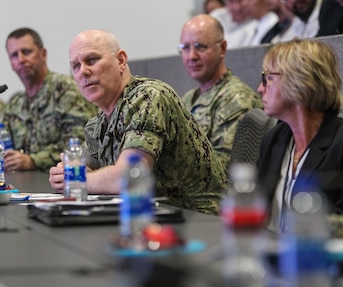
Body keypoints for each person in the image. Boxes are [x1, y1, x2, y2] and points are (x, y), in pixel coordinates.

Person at [49, 29, 227, 215]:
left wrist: (76, 178)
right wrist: (64, 174)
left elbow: (128, 177)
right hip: (153, 217)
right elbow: (85, 170)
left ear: (120, 60)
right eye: (75, 66)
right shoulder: (98, 121)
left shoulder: (149, 97)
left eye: (92, 60)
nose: (83, 71)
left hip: (199, 220)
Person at [256, 39, 343, 233]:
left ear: (299, 82)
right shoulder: (273, 140)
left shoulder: (339, 144)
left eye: (268, 78)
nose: (260, 88)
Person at [2, 27, 97, 172]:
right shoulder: (15, 103)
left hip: (62, 180)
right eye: (14, 55)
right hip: (22, 185)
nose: (21, 59)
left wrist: (34, 161)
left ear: (43, 54)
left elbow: (80, 144)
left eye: (26, 52)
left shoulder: (66, 90)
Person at [179, 14, 263, 173]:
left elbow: (222, 170)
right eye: (185, 48)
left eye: (200, 46)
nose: (192, 56)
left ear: (222, 48)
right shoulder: (188, 99)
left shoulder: (237, 98)